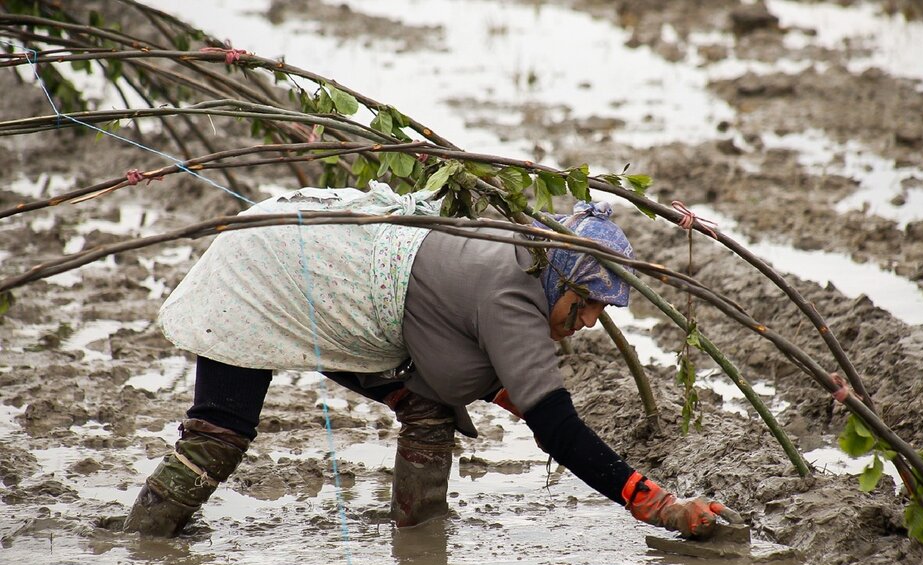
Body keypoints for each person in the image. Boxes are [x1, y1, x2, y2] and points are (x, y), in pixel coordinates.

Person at [123, 183, 734, 537]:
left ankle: (418, 544)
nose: (591, 321)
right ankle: (143, 541)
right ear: (558, 281)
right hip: (276, 266)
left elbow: (468, 365)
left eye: (602, 309)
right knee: (220, 433)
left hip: (340, 286)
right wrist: (657, 504)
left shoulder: (519, 253)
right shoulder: (511, 295)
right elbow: (558, 429)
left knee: (430, 409)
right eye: (586, 304)